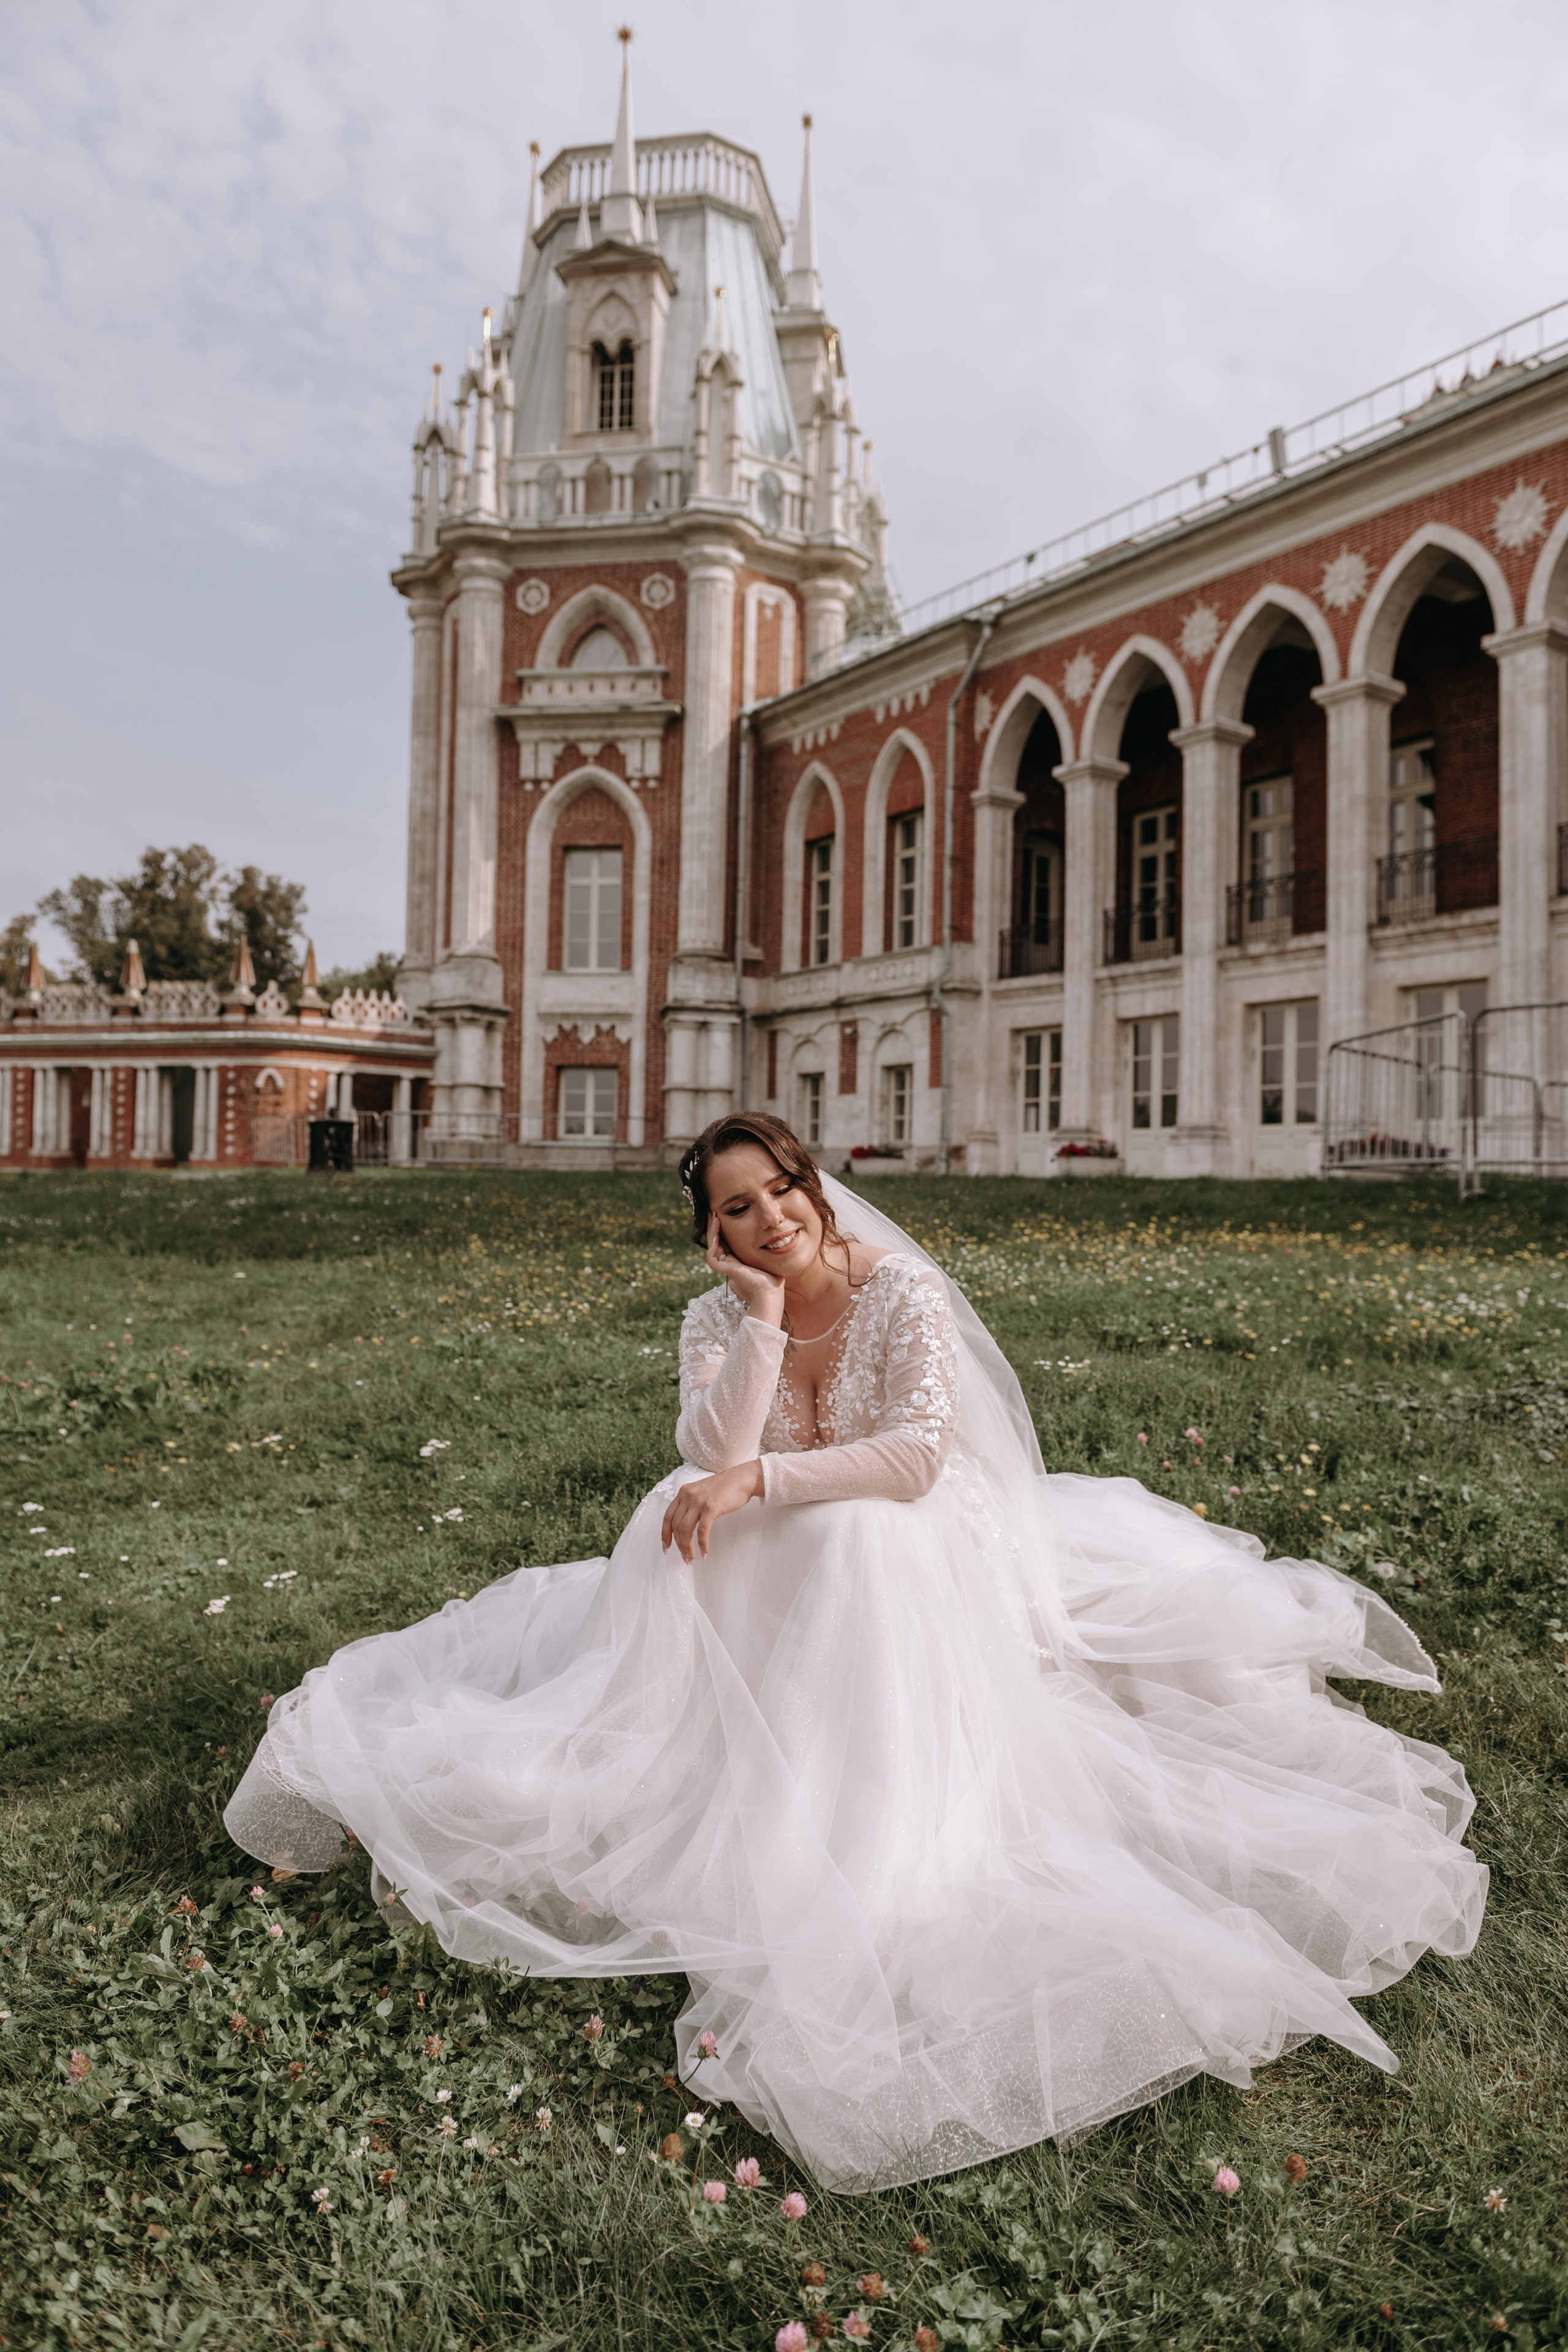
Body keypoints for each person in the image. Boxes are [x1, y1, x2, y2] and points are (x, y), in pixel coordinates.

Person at [225, 1114, 1485, 2195]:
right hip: (775, 1535)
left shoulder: (900, 1292)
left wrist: (765, 1476)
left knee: (846, 1543)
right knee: (679, 1520)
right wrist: (761, 1322)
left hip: (917, 1539)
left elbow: (914, 1460)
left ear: (811, 1188)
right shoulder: (716, 1318)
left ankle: (854, 1821)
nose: (768, 1217)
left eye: (779, 1191)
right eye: (736, 1209)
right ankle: (705, 1745)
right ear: (711, 1233)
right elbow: (707, 1452)